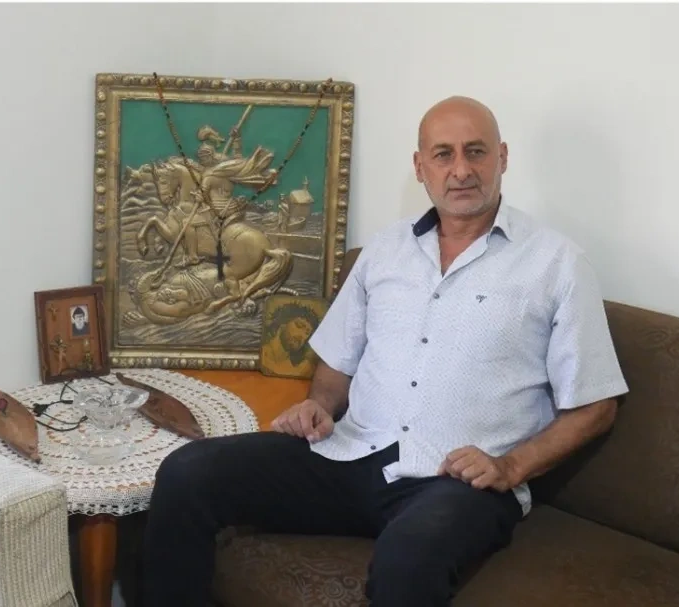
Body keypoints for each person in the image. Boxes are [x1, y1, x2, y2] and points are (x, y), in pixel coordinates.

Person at [139, 96, 628, 606]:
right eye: (443, 154)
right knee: (187, 473)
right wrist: (320, 405)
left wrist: (510, 468)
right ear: (420, 168)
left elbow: (596, 406)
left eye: (476, 152)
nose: (461, 169)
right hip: (350, 453)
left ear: (502, 158)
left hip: (456, 484)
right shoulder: (385, 250)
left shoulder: (557, 264)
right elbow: (337, 361)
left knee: (408, 559)